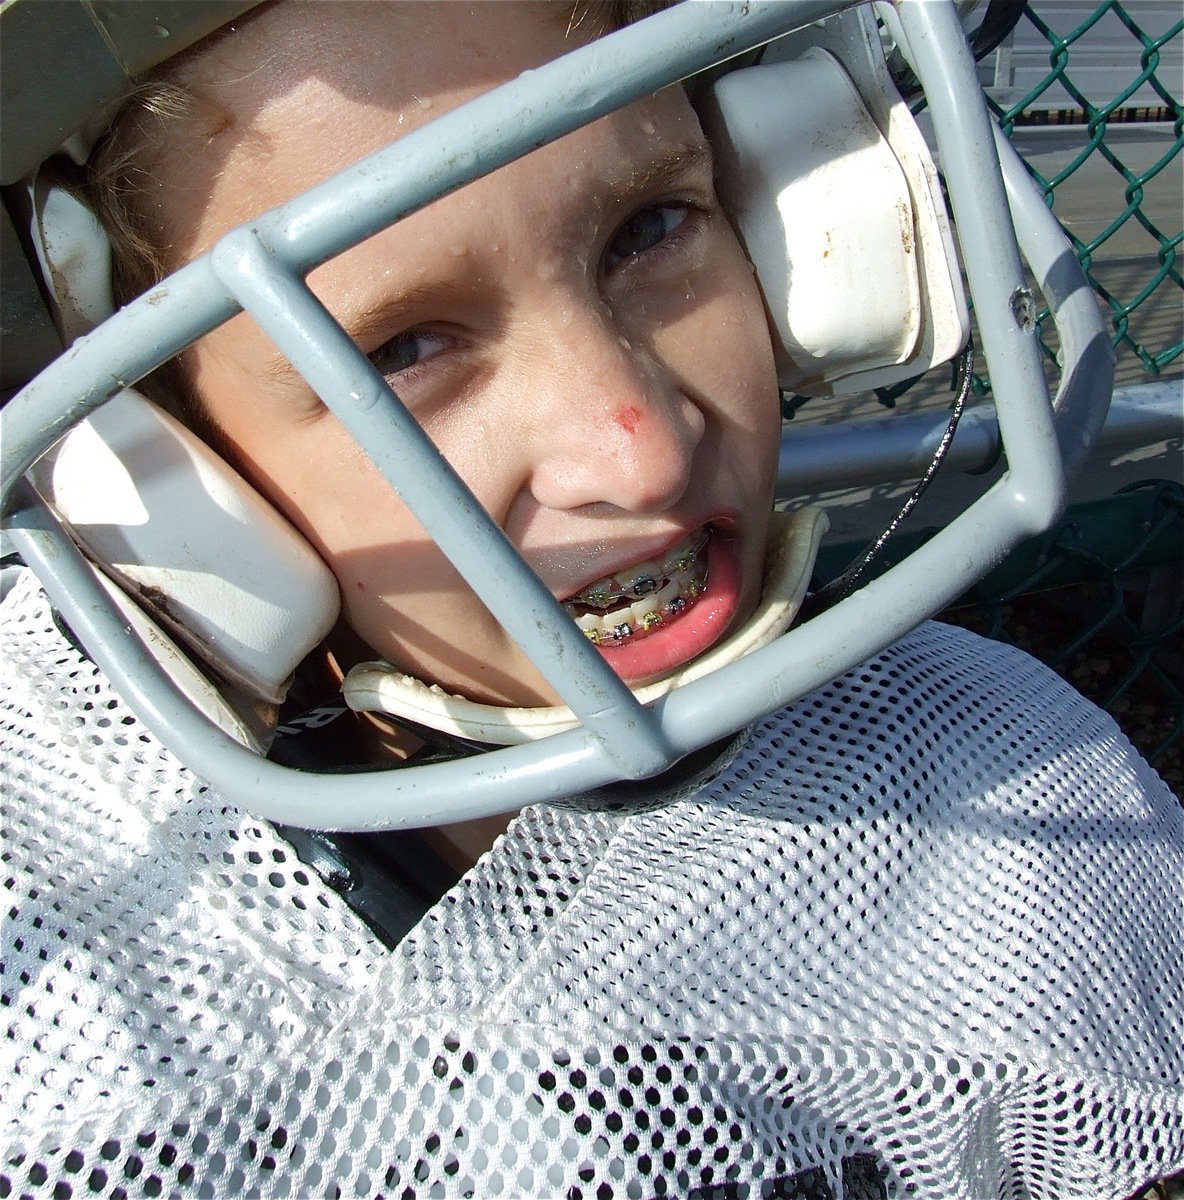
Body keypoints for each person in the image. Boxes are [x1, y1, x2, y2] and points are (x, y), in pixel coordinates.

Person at [1, 2, 1180, 1197]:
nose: (641, 456)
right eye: (399, 350)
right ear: (157, 456)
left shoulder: (1006, 787)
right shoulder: (51, 968)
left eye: (648, 228)